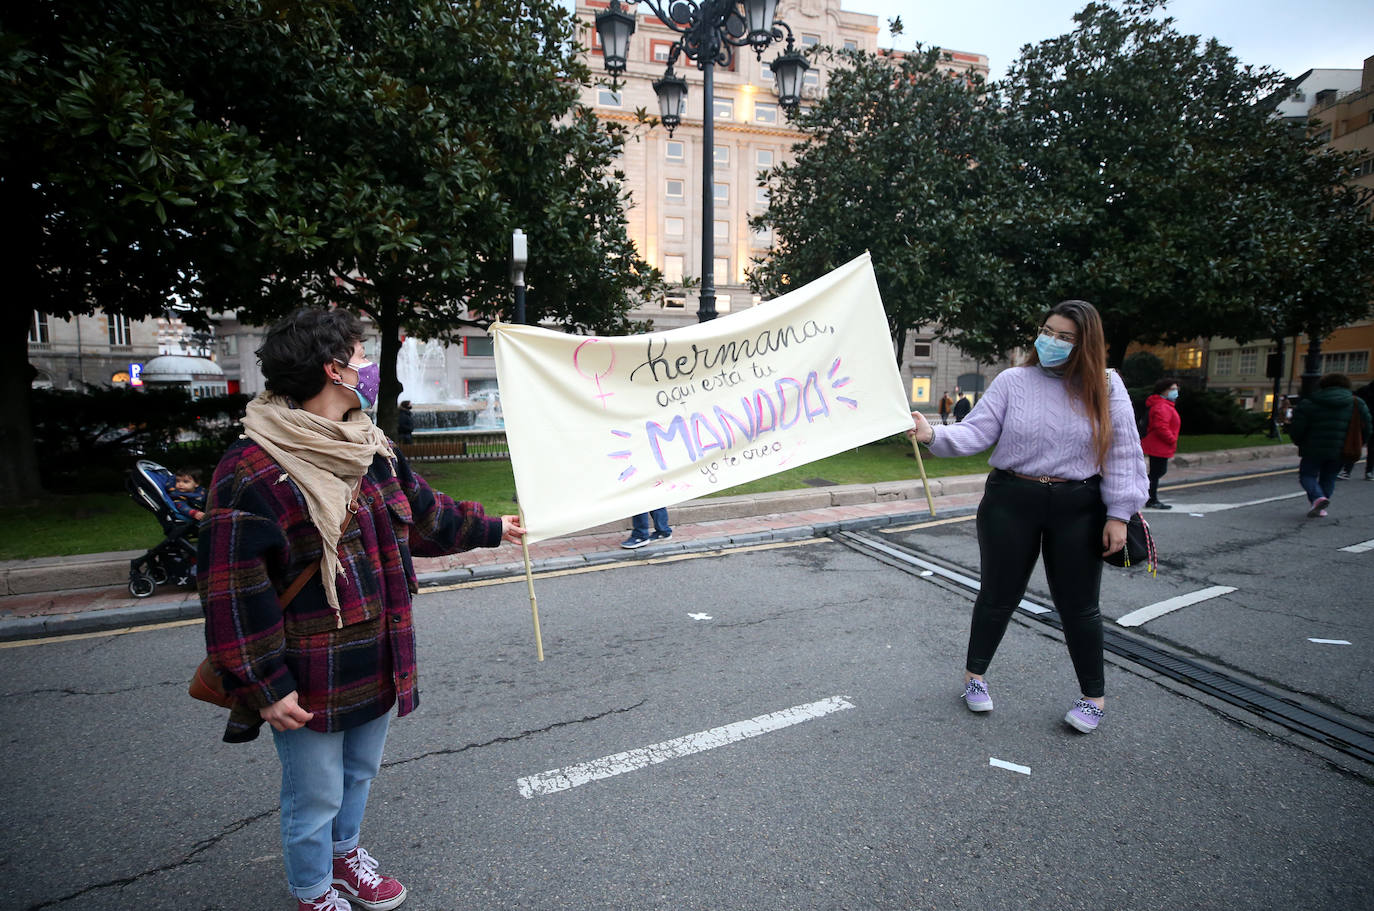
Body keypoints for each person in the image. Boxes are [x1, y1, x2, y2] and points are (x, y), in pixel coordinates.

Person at [197, 307, 524, 911]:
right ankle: (313, 889)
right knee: (314, 790)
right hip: (306, 670)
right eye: (361, 357)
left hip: (377, 652)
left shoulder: (371, 448)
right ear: (333, 370)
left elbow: (423, 517)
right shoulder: (251, 470)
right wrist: (267, 685)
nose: (369, 368)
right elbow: (234, 593)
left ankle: (344, 854)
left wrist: (494, 526)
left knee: (357, 775)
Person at [908, 300, 1147, 735]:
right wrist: (932, 434)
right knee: (998, 594)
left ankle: (1093, 698)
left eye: (1065, 337)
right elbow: (976, 430)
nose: (1050, 341)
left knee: (1080, 607)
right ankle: (974, 679)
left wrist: (1120, 513)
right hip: (1011, 499)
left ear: (1086, 344)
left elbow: (1124, 451)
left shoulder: (1107, 385)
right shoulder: (1013, 380)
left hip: (1079, 505)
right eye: (1047, 330)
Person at [1288, 373, 1371, 516]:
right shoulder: (1357, 403)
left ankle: (1318, 499)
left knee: (1307, 475)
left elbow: (1297, 426)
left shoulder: (1310, 402)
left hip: (1312, 447)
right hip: (1341, 447)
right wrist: (1361, 442)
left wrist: (1299, 441)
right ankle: (1320, 502)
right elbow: (1367, 426)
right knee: (1330, 476)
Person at [1141, 378, 1181, 509]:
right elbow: (1161, 426)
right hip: (1158, 445)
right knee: (1156, 473)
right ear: (1163, 390)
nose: (1175, 391)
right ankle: (1150, 498)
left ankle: (1149, 496)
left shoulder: (1164, 405)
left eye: (1176, 389)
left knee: (1156, 473)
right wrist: (1172, 439)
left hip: (1159, 445)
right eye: (1172, 389)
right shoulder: (1162, 406)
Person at [1337, 381, 1374, 480]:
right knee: (1362, 447)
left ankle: (1346, 470)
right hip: (1363, 421)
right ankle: (1368, 472)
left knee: (1355, 445)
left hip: (1362, 422)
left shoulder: (1364, 390)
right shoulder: (1364, 391)